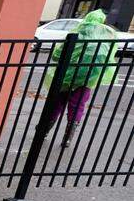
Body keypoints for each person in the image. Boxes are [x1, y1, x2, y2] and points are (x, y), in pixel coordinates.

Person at [44, 9, 120, 148]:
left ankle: (43, 131)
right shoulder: (107, 38)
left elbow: (56, 55)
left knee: (57, 104)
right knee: (77, 106)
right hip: (87, 79)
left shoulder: (76, 33)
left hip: (66, 76)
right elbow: (109, 60)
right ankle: (67, 138)